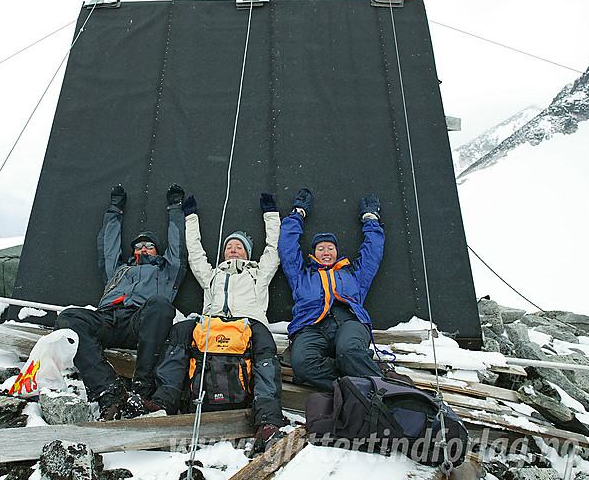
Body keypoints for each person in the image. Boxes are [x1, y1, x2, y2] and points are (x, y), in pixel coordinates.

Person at [134, 192, 287, 454]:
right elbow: (195, 253)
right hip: (211, 324)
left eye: (238, 246)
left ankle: (268, 423)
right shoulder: (212, 276)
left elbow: (274, 248)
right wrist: (190, 217)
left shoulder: (258, 274)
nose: (233, 250)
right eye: (229, 247)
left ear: (247, 252)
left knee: (265, 348)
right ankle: (163, 403)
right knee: (180, 331)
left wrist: (270, 214)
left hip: (249, 324)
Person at [54, 183, 187, 420]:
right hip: (107, 318)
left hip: (140, 321)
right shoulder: (119, 270)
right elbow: (108, 245)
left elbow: (178, 249)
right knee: (69, 318)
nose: (143, 249)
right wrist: (115, 210)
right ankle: (109, 391)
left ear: (157, 251)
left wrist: (175, 208)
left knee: (161, 305)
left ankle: (141, 390)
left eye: (149, 246)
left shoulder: (166, 271)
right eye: (138, 246)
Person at [278, 188, 385, 391]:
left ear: (336, 252)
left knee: (349, 351)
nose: (326, 252)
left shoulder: (353, 275)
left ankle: (383, 394)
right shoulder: (302, 276)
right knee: (301, 363)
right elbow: (288, 248)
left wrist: (371, 219)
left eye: (330, 248)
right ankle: (355, 385)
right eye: (321, 248)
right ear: (314, 254)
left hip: (349, 320)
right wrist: (297, 214)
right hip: (311, 325)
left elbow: (372, 253)